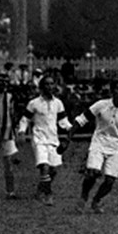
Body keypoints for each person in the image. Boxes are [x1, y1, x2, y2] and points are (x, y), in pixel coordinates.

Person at [66, 81, 118, 213]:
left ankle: (96, 200)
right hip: (99, 142)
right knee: (93, 173)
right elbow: (82, 119)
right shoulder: (101, 105)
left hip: (116, 146)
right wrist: (68, 136)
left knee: (110, 180)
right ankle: (83, 197)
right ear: (112, 91)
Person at [17, 75, 72, 206]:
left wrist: (71, 128)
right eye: (46, 84)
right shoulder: (34, 103)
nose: (50, 87)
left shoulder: (58, 103)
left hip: (53, 140)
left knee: (54, 170)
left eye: (52, 84)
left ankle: (40, 190)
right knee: (44, 167)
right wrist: (21, 131)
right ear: (41, 87)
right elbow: (25, 119)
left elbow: (63, 121)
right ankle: (48, 194)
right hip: (39, 139)